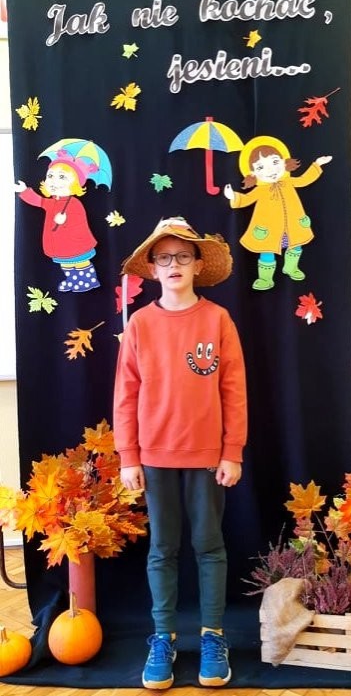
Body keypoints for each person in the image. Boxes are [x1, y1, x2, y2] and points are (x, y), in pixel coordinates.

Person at [113, 216, 247, 690]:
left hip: (208, 457)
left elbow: (234, 390)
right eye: (164, 257)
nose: (174, 264)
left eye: (183, 256)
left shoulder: (217, 319)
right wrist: (128, 456)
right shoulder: (141, 324)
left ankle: (213, 636)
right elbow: (126, 394)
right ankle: (163, 637)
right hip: (154, 457)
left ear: (197, 265)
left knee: (209, 547)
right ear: (152, 268)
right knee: (162, 550)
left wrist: (232, 451)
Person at [223, 135, 332, 290]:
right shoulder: (260, 189)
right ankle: (265, 279)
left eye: (275, 162)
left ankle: (291, 267)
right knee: (267, 252)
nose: (271, 170)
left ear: (284, 162)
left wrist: (317, 164)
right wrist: (233, 196)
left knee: (296, 245)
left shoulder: (288, 182)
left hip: (292, 225)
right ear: (252, 173)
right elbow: (246, 199)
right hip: (269, 230)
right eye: (261, 167)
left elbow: (305, 179)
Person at [14, 154, 101, 293]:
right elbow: (38, 201)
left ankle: (87, 281)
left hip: (75, 244)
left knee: (80, 262)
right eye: (50, 176)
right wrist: (24, 191)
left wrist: (65, 221)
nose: (53, 181)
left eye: (61, 177)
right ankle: (72, 280)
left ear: (75, 184)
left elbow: (79, 222)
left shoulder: (74, 203)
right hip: (59, 245)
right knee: (65, 263)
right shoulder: (52, 202)